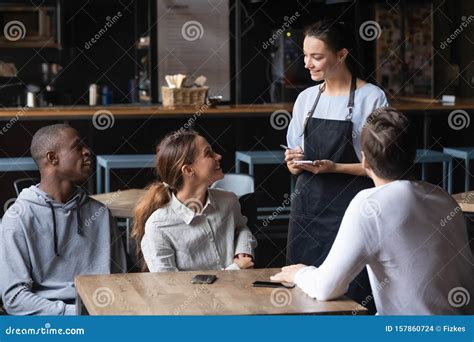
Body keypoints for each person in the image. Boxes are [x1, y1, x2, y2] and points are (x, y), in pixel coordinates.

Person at [272, 108, 474, 314]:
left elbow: (326, 288)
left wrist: (299, 273)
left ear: (364, 160)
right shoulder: (443, 197)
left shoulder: (369, 204)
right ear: (413, 155)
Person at [284, 20, 388, 309]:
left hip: (352, 208)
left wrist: (336, 168)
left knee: (351, 292)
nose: (307, 64)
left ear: (341, 55)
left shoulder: (372, 98)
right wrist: (293, 163)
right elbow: (295, 161)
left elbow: (380, 168)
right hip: (307, 208)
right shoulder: (306, 99)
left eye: (316, 57)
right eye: (305, 55)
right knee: (301, 289)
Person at [0, 124, 126, 315]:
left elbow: (121, 281)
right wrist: (77, 314)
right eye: (77, 147)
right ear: (53, 158)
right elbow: (15, 299)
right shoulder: (17, 218)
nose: (87, 152)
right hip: (48, 323)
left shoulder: (100, 213)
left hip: (103, 315)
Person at [132, 130, 257, 272]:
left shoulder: (229, 201)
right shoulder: (158, 226)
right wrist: (236, 269)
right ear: (188, 170)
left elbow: (241, 228)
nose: (218, 156)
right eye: (208, 153)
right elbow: (168, 287)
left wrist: (243, 250)